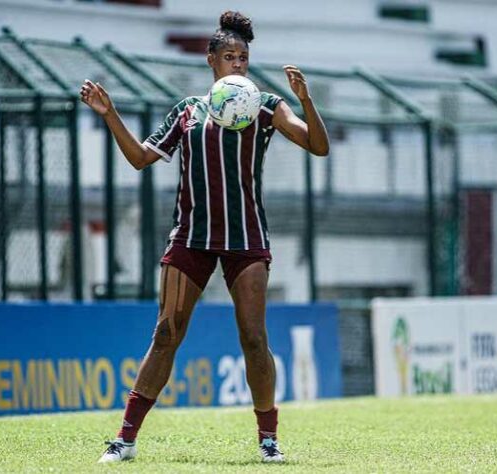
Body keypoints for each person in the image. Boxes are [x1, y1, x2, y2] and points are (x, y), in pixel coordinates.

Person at [80, 10, 329, 464]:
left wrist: (305, 99)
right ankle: (126, 440)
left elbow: (318, 144)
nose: (238, 64)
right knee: (165, 334)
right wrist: (110, 113)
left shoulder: (266, 106)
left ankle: (268, 439)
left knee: (254, 338)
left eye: (244, 57)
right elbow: (139, 158)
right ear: (211, 61)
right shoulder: (187, 112)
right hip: (191, 238)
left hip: (246, 238)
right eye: (229, 56)